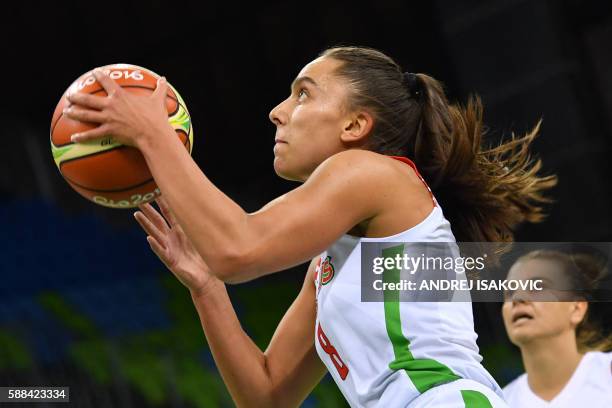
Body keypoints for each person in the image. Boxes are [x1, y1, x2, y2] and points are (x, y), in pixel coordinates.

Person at [64, 46, 556, 407]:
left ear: (354, 127)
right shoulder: (333, 266)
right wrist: (207, 288)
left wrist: (153, 133)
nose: (277, 112)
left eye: (303, 94)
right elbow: (268, 394)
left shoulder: (372, 171)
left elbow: (239, 246)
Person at [501, 250, 612, 408]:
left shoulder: (607, 373)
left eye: (538, 286)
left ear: (576, 309)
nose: (517, 298)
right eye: (510, 292)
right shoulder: (499, 401)